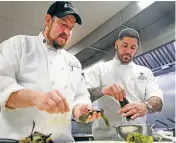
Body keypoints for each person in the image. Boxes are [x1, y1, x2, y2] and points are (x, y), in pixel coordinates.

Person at [0, 1, 101, 142]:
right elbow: (2, 87)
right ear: (48, 20)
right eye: (63, 24)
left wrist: (79, 110)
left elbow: (80, 96)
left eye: (71, 28)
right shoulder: (19, 45)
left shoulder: (73, 63)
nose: (67, 32)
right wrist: (36, 98)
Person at [85, 28, 163, 140]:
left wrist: (147, 106)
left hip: (138, 138)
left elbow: (158, 101)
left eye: (133, 47)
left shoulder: (145, 72)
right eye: (124, 45)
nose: (128, 51)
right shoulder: (98, 70)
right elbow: (84, 95)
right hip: (107, 139)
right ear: (116, 44)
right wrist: (104, 90)